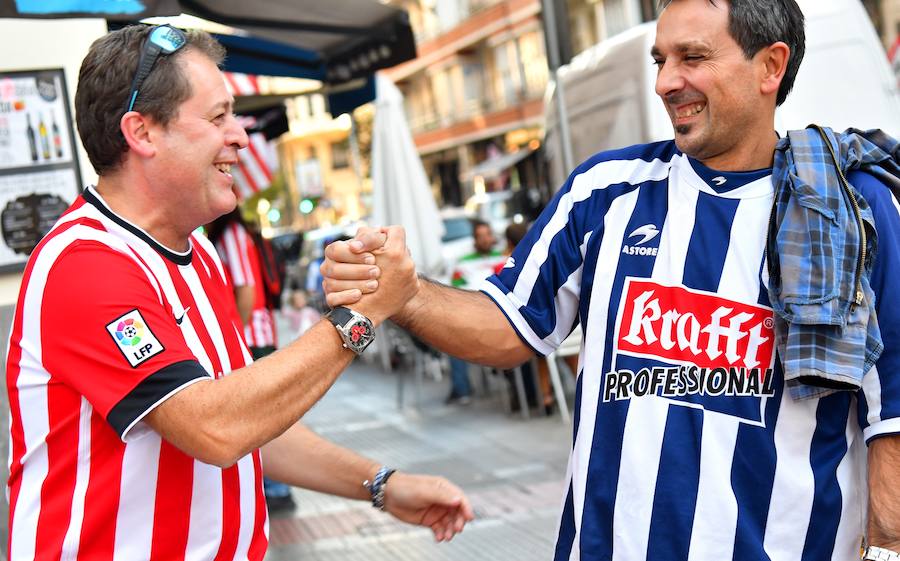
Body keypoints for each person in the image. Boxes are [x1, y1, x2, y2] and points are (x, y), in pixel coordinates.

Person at [321, 1, 900, 559]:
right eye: (660, 61)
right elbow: (508, 325)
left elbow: (892, 411)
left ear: (771, 65)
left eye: (692, 58)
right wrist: (407, 294)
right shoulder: (605, 191)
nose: (665, 83)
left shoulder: (852, 209)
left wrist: (886, 552)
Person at [5, 25, 473, 560]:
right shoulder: (85, 264)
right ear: (142, 132)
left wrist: (381, 484)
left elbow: (250, 423)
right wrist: (360, 316)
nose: (241, 137)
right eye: (217, 116)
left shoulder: (198, 253)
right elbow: (214, 427)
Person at [208, 207, 294, 512]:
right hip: (257, 332)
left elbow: (246, 288)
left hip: (252, 336)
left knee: (260, 414)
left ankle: (277, 488)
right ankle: (276, 487)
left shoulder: (231, 234)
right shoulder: (235, 233)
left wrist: (233, 337)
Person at [445, 219, 505, 404]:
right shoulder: (463, 264)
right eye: (481, 236)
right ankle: (462, 389)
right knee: (451, 337)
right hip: (474, 315)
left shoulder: (503, 258)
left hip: (502, 317)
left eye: (488, 235)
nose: (486, 239)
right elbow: (456, 293)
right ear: (474, 240)